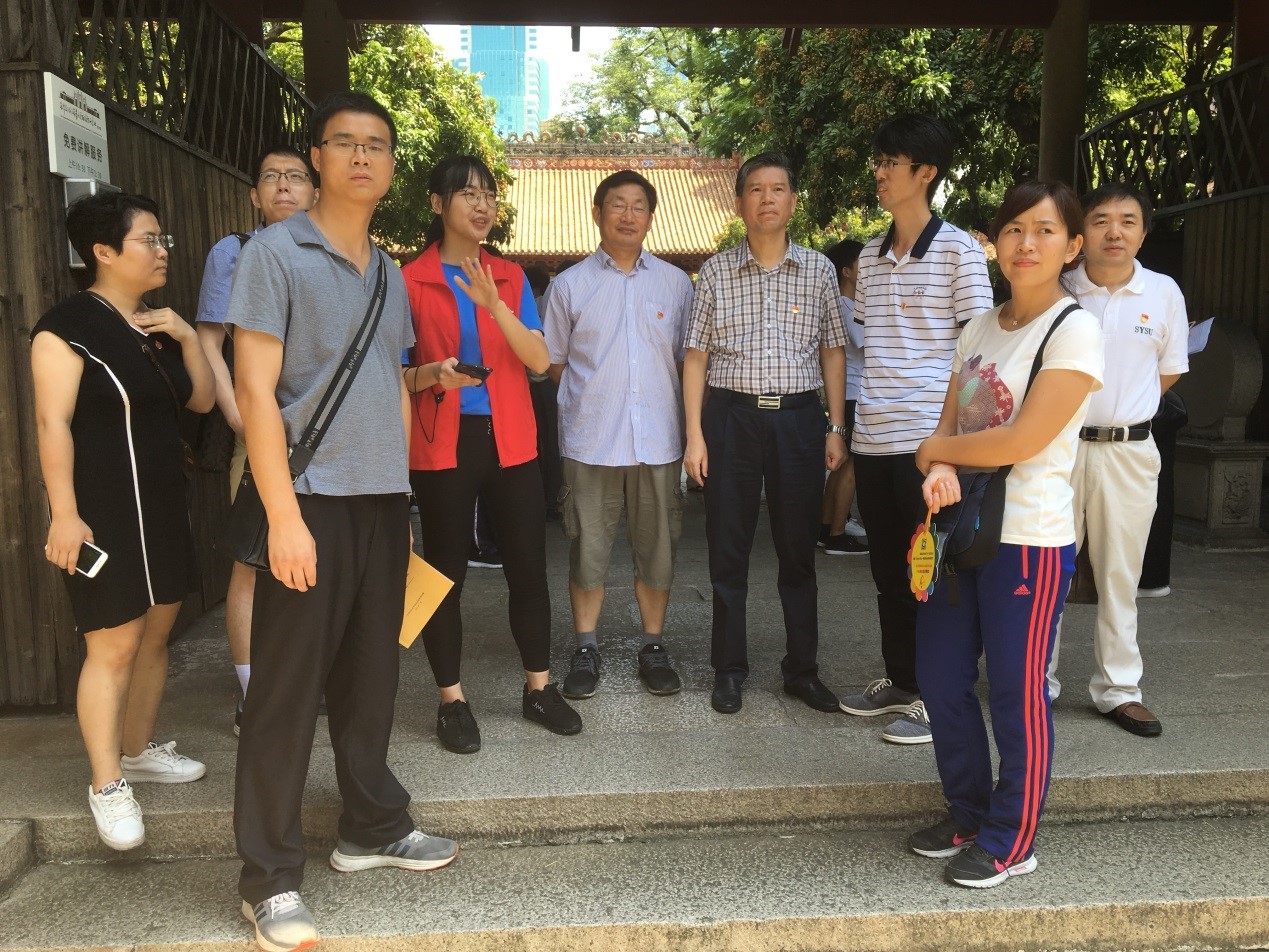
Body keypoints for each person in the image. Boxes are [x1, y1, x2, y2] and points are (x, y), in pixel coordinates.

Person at [228, 92, 458, 952]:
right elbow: (255, 392)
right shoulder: (273, 254)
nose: (362, 156)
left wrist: (401, 500)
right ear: (317, 158)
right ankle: (268, 878)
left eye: (377, 145)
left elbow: (389, 382)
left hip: (378, 503)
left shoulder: (390, 271)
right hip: (308, 500)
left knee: (371, 679)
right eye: (345, 143)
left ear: (391, 166)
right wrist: (284, 518)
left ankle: (369, 826)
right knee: (286, 693)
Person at [906, 179, 1103, 888]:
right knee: (940, 678)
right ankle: (967, 812)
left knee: (1017, 694)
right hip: (960, 530)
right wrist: (938, 465)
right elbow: (951, 425)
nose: (1027, 243)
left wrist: (936, 453)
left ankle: (1012, 839)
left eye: (1045, 231)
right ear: (995, 242)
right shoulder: (980, 328)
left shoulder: (1073, 330)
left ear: (1071, 246)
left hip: (1029, 538)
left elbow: (1022, 439)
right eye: (1014, 229)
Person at [30, 191, 215, 851]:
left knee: (158, 633)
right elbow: (52, 423)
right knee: (112, 644)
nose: (162, 251)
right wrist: (64, 514)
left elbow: (201, 400)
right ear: (103, 251)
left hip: (160, 501)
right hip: (101, 511)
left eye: (164, 239)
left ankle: (136, 752)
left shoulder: (153, 327)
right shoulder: (65, 328)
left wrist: (187, 335)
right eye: (149, 240)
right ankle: (107, 784)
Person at [402, 154, 582, 756]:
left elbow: (539, 361)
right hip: (443, 439)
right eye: (467, 194)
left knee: (528, 566)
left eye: (488, 195)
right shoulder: (410, 280)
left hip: (512, 437)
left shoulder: (508, 276)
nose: (482, 205)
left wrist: (494, 302)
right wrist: (434, 373)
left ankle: (539, 689)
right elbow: (397, 373)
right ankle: (451, 699)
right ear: (438, 204)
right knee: (444, 572)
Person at [840, 114, 994, 745]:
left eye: (890, 163)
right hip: (874, 436)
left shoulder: (959, 251)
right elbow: (877, 347)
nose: (879, 173)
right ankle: (903, 680)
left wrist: (952, 451)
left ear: (925, 173)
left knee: (934, 572)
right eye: (878, 161)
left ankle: (939, 695)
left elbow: (979, 357)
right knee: (888, 570)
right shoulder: (870, 256)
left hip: (930, 443)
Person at [683, 151, 849, 716]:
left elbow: (832, 349)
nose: (767, 198)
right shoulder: (715, 271)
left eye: (778, 188)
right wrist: (694, 435)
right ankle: (728, 669)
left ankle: (802, 670)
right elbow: (696, 356)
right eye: (756, 189)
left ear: (793, 201)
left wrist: (835, 425)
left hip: (799, 420)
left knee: (798, 551)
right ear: (739, 203)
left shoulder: (819, 269)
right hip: (730, 418)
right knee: (727, 549)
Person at [544, 169, 696, 700]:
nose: (628, 215)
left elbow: (686, 362)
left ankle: (653, 644)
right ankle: (585, 646)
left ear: (651, 217)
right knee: (587, 548)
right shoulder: (569, 285)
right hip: (591, 440)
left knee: (658, 548)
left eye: (638, 206)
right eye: (617, 205)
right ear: (597, 213)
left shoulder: (676, 284)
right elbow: (555, 362)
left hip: (658, 439)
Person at [1046, 183, 1189, 737]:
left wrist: (1123, 409)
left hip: (1129, 450)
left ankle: (1119, 690)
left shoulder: (1163, 292)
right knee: (1049, 569)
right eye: (1101, 220)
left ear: (1143, 232)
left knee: (1120, 574)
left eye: (1127, 221)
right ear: (1081, 233)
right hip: (1059, 448)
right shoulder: (1059, 287)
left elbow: (1167, 371)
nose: (1114, 232)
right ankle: (1037, 682)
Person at [195, 143, 317, 736]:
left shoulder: (337, 252)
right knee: (253, 560)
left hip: (324, 432)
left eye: (295, 177)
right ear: (254, 194)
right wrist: (240, 418)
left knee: (320, 553)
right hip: (260, 429)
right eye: (271, 177)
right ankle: (252, 692)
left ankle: (305, 679)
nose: (284, 186)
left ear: (315, 190)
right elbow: (210, 341)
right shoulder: (235, 251)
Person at [818, 239, 869, 556]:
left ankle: (826, 527)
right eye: (863, 262)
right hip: (852, 394)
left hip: (850, 393)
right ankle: (837, 533)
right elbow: (867, 343)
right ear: (847, 271)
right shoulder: (845, 307)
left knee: (842, 465)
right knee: (851, 467)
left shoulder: (847, 304)